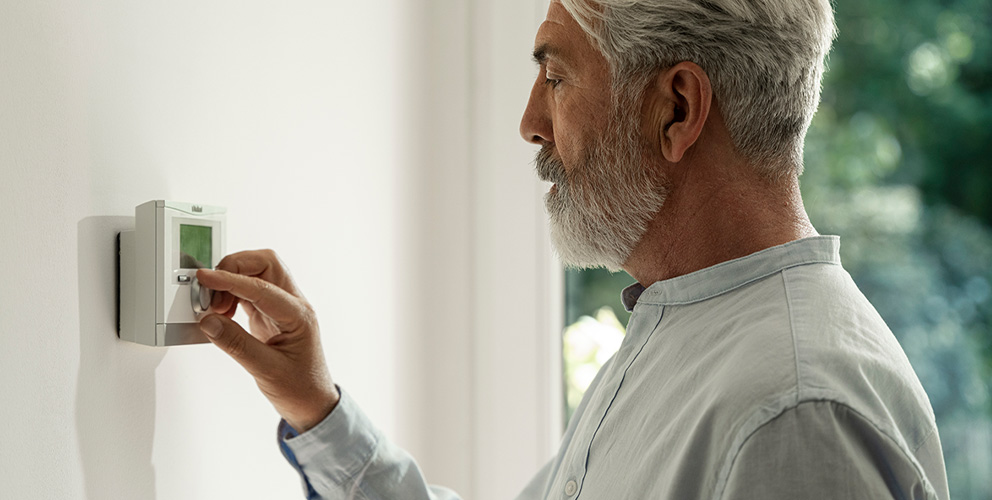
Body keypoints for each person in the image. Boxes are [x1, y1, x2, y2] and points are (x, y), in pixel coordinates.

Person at [194, 0, 950, 498]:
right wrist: (316, 408)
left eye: (556, 77)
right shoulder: (683, 332)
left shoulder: (793, 411)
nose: (530, 122)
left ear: (676, 108)